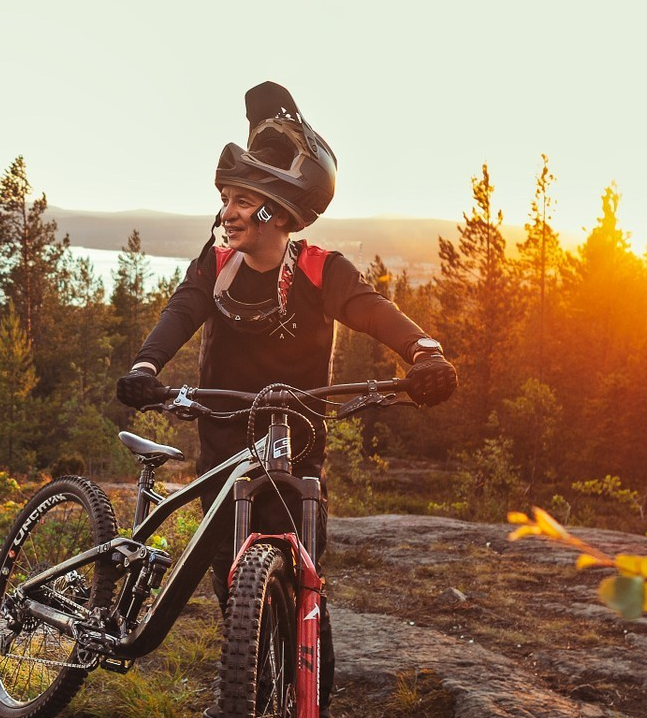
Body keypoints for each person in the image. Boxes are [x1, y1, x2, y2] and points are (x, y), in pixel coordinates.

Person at [116, 82, 454, 593]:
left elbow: (372, 310)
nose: (227, 213)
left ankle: (308, 670)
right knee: (236, 590)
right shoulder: (217, 264)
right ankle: (242, 672)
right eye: (225, 199)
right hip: (224, 446)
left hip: (295, 450)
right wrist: (147, 366)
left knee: (301, 583)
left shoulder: (320, 270)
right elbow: (183, 309)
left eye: (243, 201)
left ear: (274, 209)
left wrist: (424, 352)